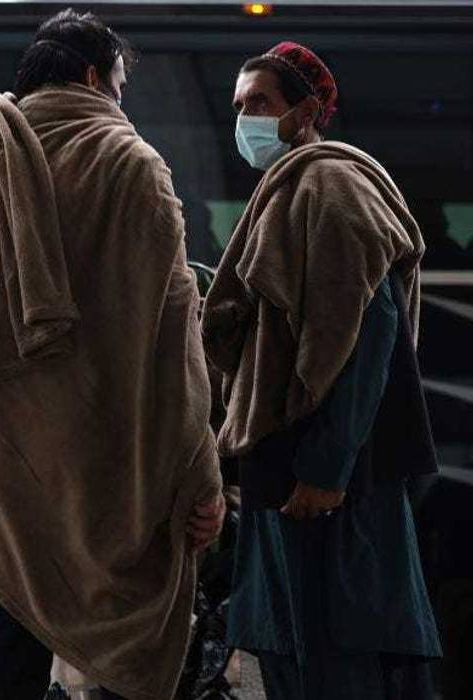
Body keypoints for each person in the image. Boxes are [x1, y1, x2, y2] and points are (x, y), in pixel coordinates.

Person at [0, 10, 224, 700]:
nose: (121, 101)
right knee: (128, 668)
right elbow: (174, 350)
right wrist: (199, 479)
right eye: (119, 83)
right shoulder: (133, 168)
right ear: (93, 77)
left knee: (2, 676)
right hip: (118, 490)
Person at [202, 41, 442, 699]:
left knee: (338, 655)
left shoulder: (330, 184)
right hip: (287, 470)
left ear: (304, 111)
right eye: (237, 105)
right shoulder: (287, 191)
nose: (244, 119)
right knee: (297, 654)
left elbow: (367, 331)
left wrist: (326, 468)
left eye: (258, 103)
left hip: (327, 480)